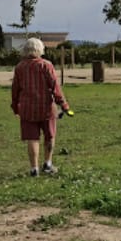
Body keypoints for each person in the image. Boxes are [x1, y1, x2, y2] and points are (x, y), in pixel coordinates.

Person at [11, 37, 71, 177]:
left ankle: (34, 169)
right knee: (49, 136)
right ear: (40, 49)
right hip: (46, 108)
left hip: (27, 109)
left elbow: (15, 89)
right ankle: (48, 164)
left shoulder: (20, 67)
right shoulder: (46, 65)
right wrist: (63, 104)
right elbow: (55, 87)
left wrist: (15, 106)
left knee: (32, 138)